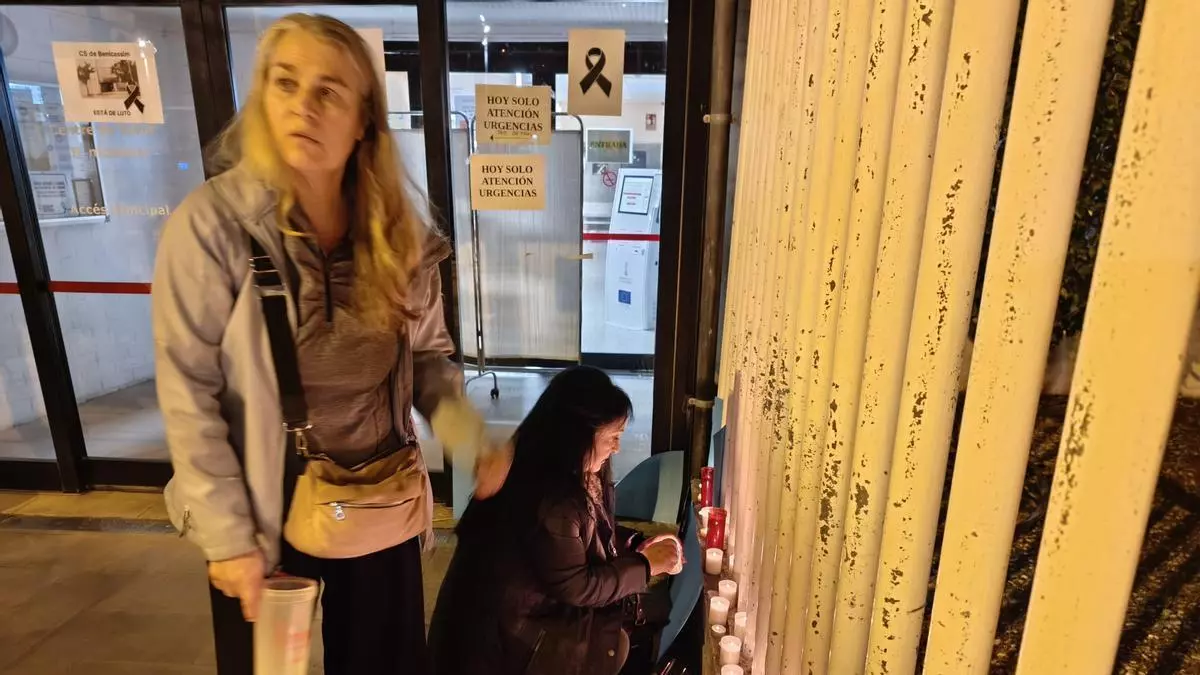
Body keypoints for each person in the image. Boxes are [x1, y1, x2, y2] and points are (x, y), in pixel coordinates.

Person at [151, 14, 504, 675]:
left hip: (376, 497)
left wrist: (468, 437)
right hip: (268, 505)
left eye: (329, 91)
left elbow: (427, 358)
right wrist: (227, 537)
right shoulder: (212, 226)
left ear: (364, 118)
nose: (302, 107)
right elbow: (188, 393)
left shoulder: (397, 232)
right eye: (285, 83)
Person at [429, 366, 684, 675]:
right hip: (499, 644)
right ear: (578, 435)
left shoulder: (565, 468)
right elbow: (578, 586)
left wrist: (634, 543)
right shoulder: (548, 495)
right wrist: (646, 566)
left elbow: (583, 535)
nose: (617, 448)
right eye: (613, 437)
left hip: (517, 624)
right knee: (614, 639)